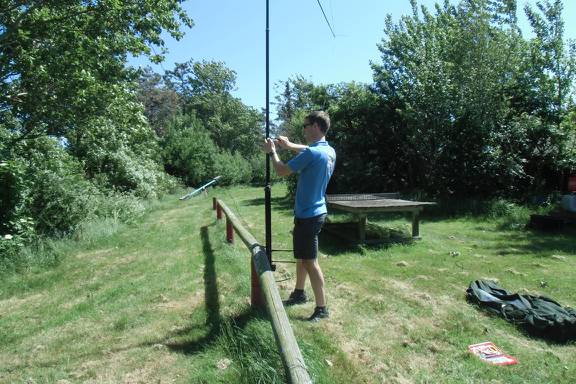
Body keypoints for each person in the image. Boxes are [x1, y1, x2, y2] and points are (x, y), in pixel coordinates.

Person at [263, 111, 336, 321]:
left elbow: (282, 171)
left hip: (308, 215)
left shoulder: (312, 154)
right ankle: (299, 292)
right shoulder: (328, 151)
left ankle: (322, 308)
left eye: (305, 125)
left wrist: (273, 151)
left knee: (310, 261)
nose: (303, 129)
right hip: (315, 211)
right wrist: (289, 145)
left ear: (315, 126)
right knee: (302, 257)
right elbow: (307, 150)